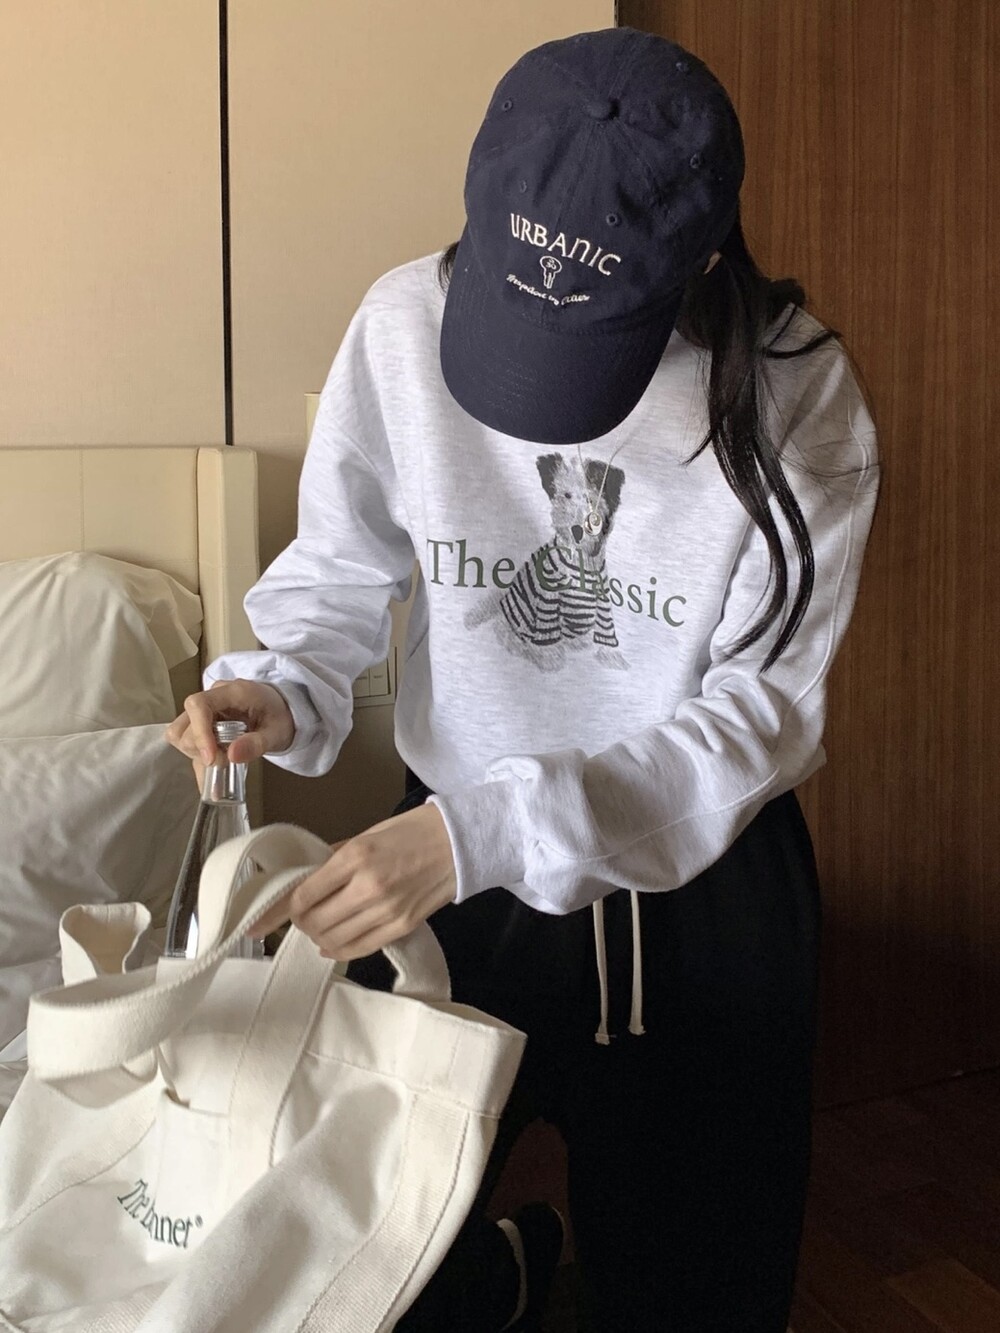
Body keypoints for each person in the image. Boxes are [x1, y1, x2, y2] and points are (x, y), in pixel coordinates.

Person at [166, 26, 879, 1333]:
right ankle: (508, 1267)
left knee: (694, 1297)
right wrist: (285, 682)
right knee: (362, 1264)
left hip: (701, 898)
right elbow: (343, 560)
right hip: (445, 870)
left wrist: (481, 833)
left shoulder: (798, 393)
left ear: (700, 260)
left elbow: (760, 717)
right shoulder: (402, 322)